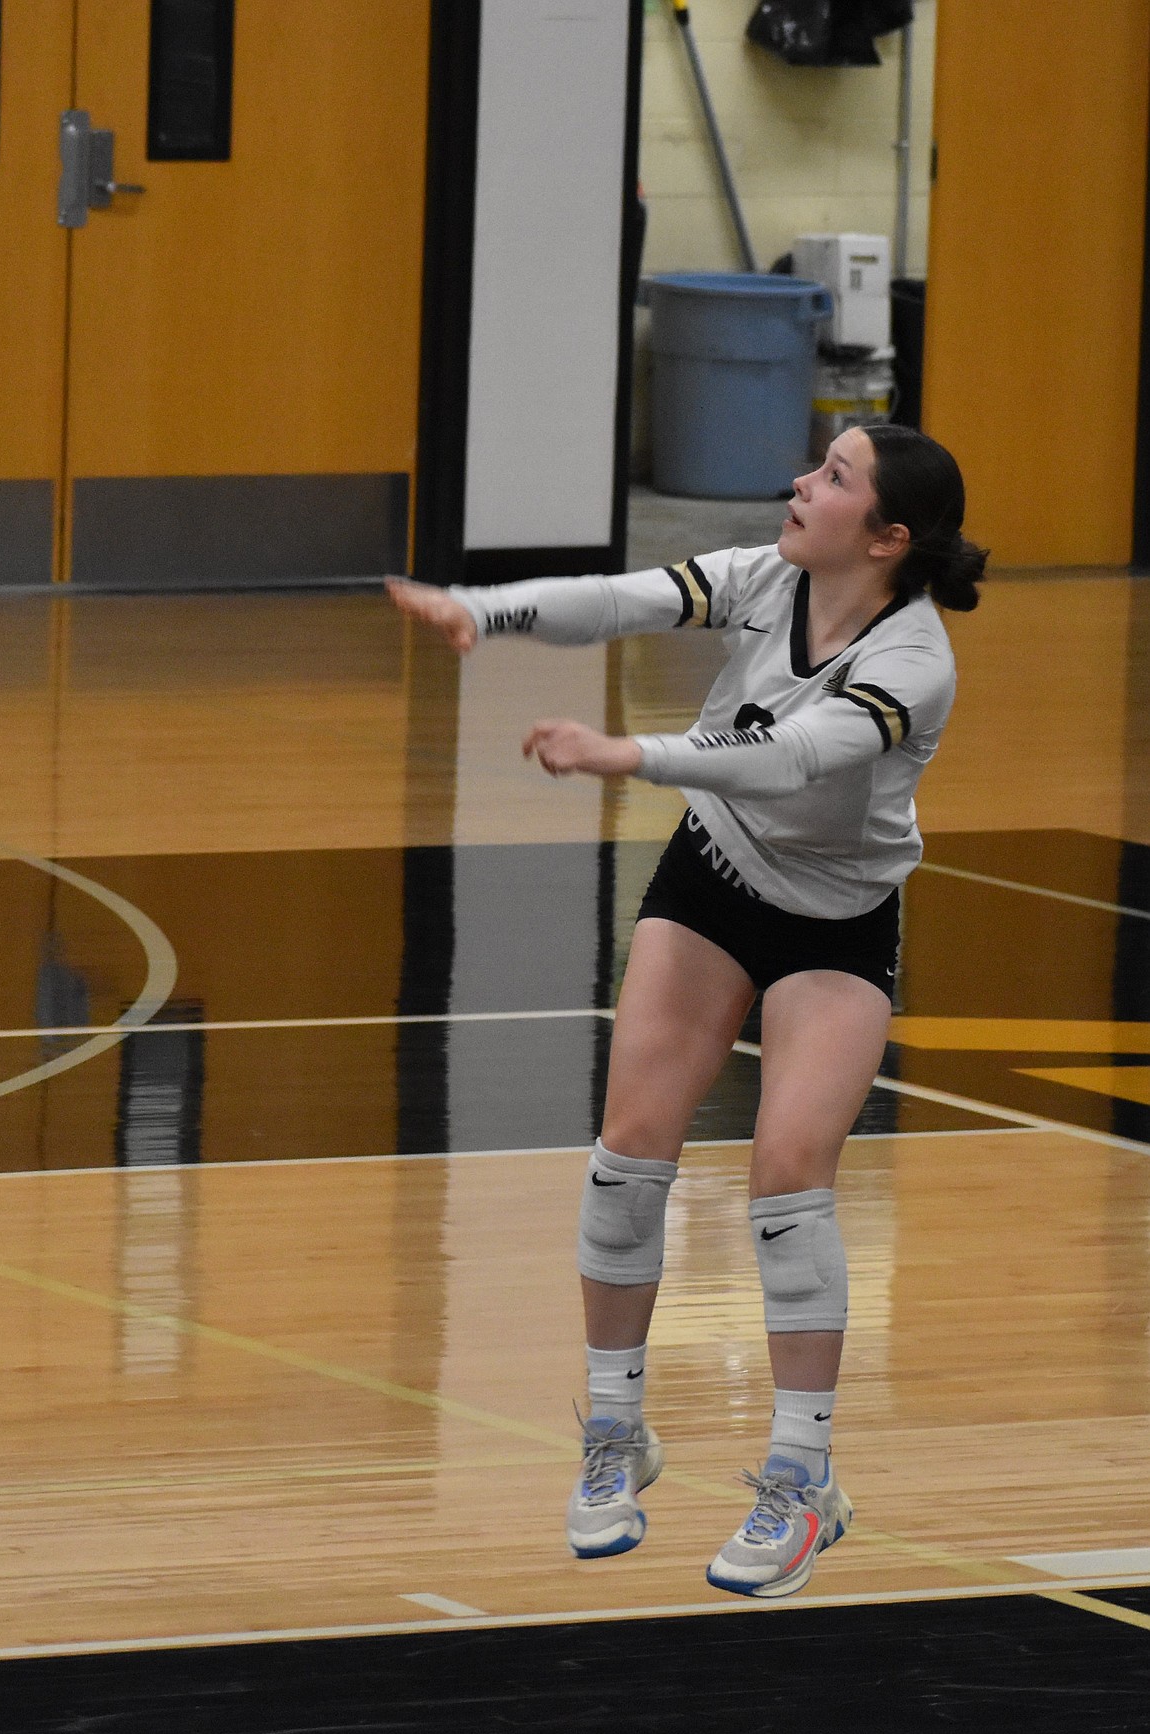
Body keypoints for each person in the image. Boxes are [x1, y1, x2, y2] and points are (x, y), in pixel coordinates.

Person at [388, 422, 986, 1599]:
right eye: (815, 464)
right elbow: (619, 599)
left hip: (837, 923)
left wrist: (630, 755)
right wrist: (486, 609)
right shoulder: (769, 578)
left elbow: (795, 759)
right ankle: (615, 1434)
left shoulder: (913, 661)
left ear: (889, 535)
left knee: (787, 1176)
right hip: (713, 878)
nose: (801, 484)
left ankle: (802, 1478)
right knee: (627, 1152)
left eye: (833, 477)